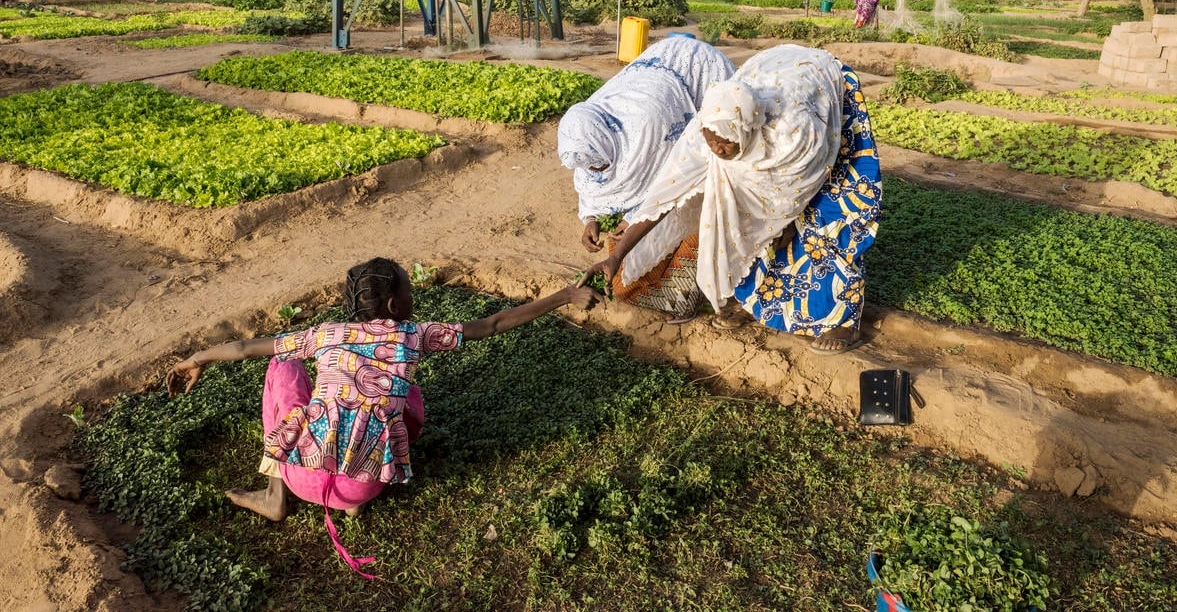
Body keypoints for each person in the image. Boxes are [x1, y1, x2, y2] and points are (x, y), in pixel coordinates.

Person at [167, 256, 600, 577]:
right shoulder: (413, 335)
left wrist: (197, 359)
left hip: (302, 475)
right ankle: (349, 500)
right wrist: (565, 295)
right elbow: (491, 324)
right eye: (412, 290)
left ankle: (274, 494)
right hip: (364, 487)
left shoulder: (325, 335)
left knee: (283, 368)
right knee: (407, 395)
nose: (416, 296)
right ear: (396, 304)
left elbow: (244, 348)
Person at [579, 44, 882, 353]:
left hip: (823, 101)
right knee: (738, 220)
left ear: (748, 130)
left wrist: (785, 221)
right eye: (713, 143)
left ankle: (841, 320)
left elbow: (799, 186)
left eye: (726, 145)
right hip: (772, 74)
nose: (718, 151)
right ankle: (755, 301)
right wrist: (616, 256)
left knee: (828, 217)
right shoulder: (707, 131)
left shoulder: (793, 136)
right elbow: (664, 196)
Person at [558, 36, 734, 323]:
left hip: (696, 74)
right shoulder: (583, 132)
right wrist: (590, 218)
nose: (597, 170)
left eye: (600, 163)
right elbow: (590, 179)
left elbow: (671, 182)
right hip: (661, 78)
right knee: (630, 263)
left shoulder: (649, 130)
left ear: (606, 141)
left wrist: (635, 218)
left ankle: (708, 281)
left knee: (704, 193)